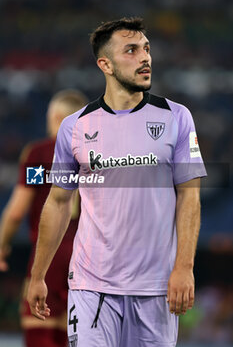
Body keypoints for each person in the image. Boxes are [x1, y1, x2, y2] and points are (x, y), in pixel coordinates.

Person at [27, 17, 207, 347]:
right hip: (90, 287)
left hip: (155, 289)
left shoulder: (177, 117)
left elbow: (190, 197)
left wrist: (184, 267)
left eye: (147, 49)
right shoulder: (74, 127)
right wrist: (37, 274)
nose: (145, 58)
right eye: (132, 50)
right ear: (105, 64)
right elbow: (58, 201)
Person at [0, 89, 88, 347]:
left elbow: (16, 211)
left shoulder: (41, 154)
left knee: (39, 329)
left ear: (59, 118)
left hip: (47, 253)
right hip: (85, 257)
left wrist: (3, 244)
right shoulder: (93, 156)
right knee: (71, 335)